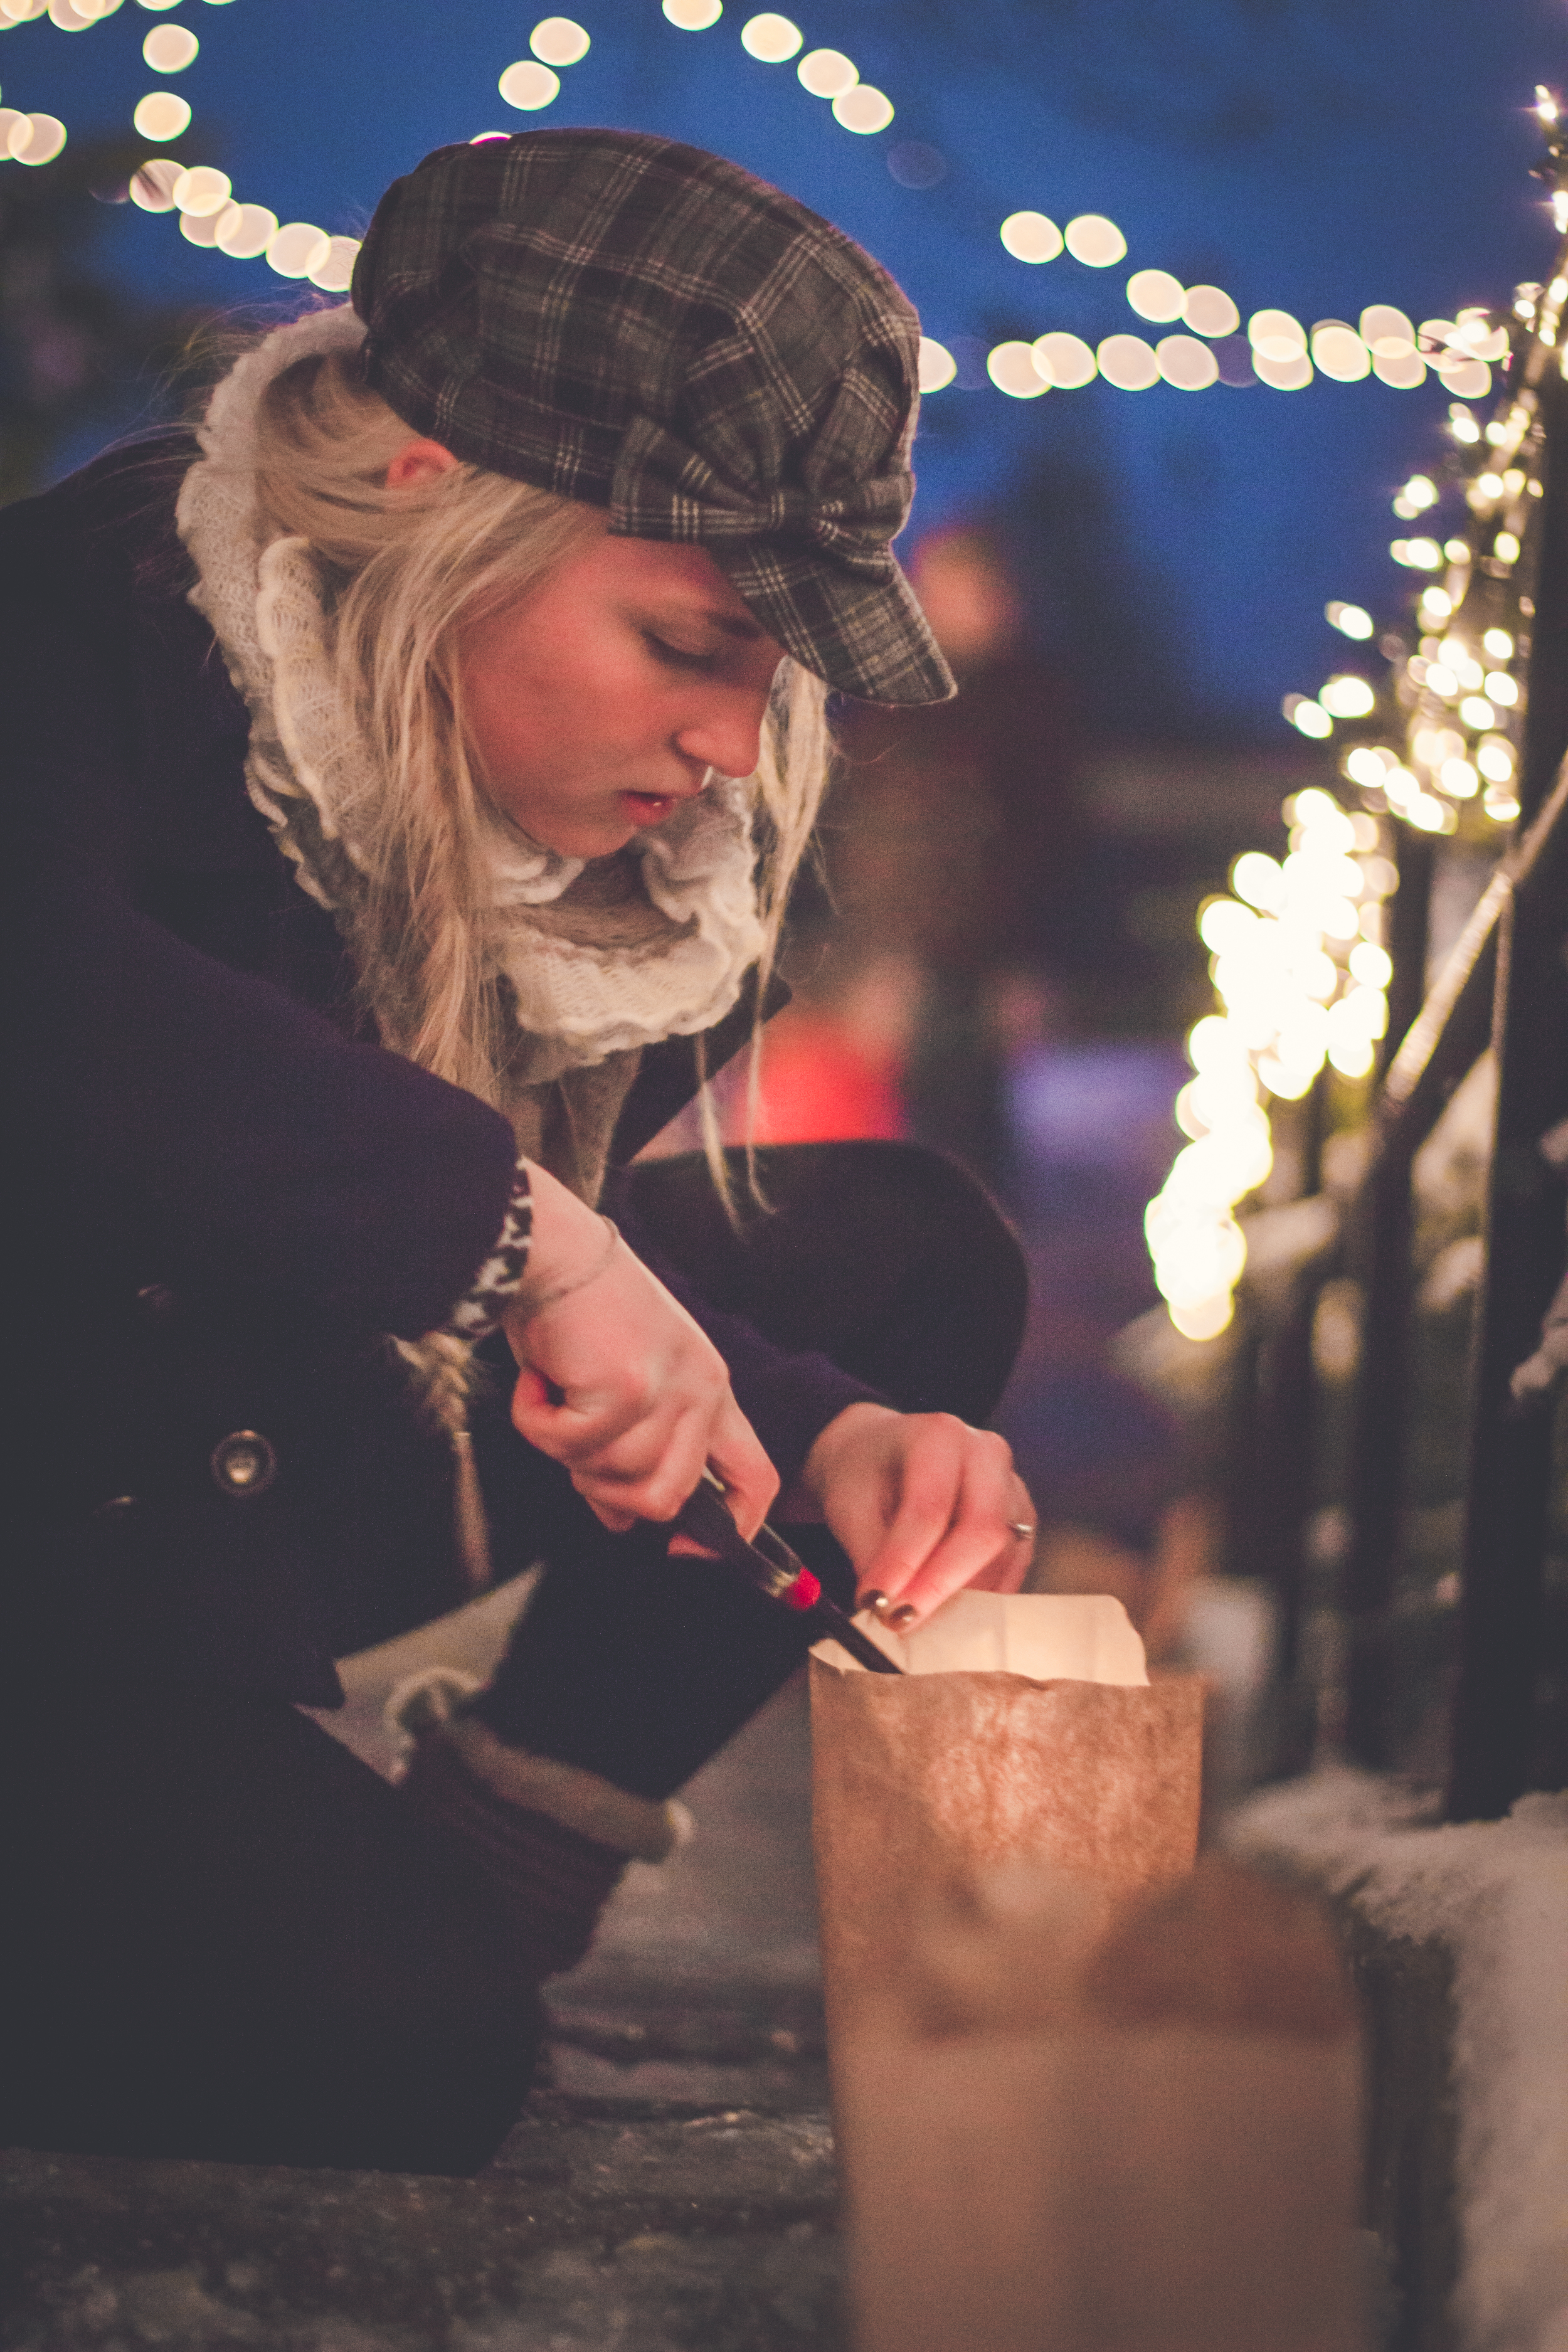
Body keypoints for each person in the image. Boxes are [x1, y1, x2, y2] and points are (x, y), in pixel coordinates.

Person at [1, 129, 1032, 2175]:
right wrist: (524, 1234)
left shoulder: (623, 871)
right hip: (67, 1544)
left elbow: (490, 1294)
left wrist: (806, 1430)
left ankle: (476, 1873)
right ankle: (354, 1941)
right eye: (689, 639)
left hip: (254, 1458)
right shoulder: (82, 631)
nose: (734, 744)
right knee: (386, 2063)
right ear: (425, 504)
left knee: (900, 1266)